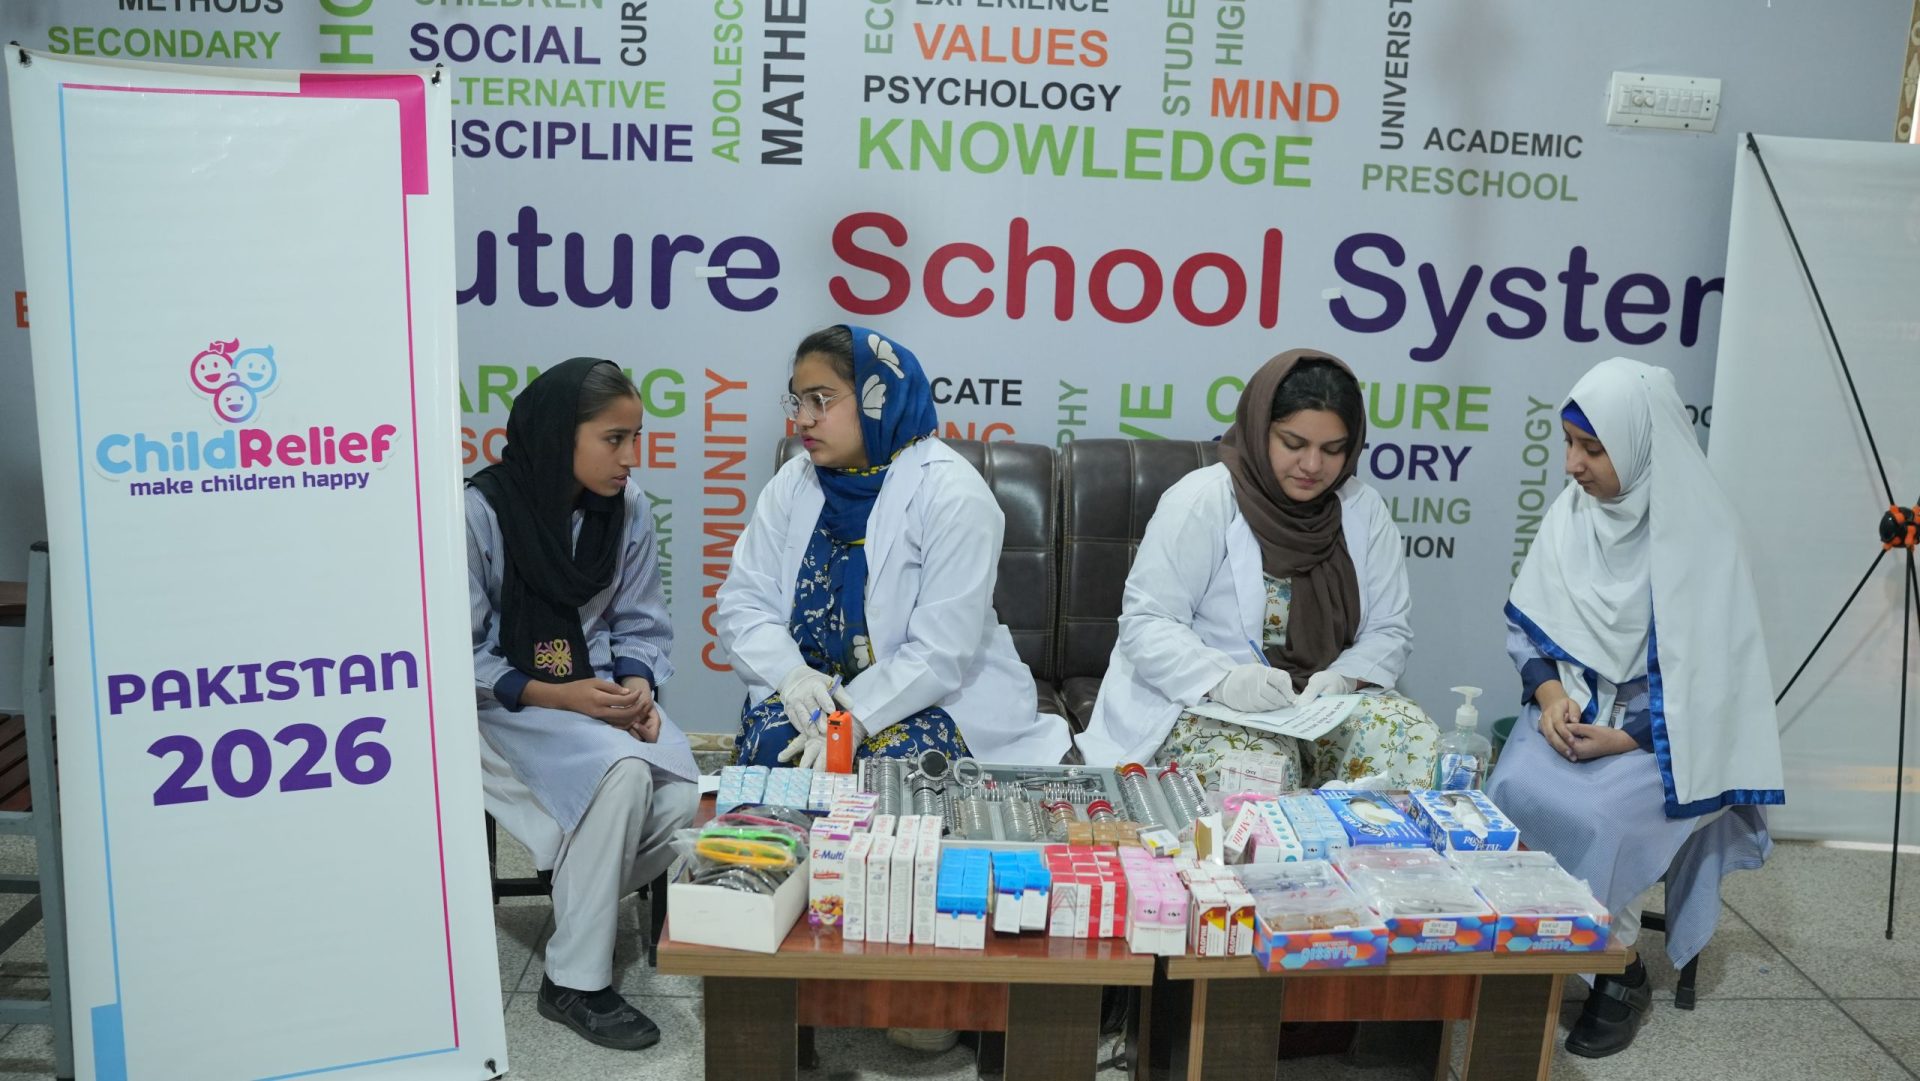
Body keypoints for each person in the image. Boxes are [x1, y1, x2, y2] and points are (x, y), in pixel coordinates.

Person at [1486, 356, 1783, 1058]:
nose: (1572, 466)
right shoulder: (1573, 515)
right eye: (1568, 443)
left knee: (1602, 818)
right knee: (1509, 789)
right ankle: (1524, 949)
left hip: (1670, 739)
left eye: (1592, 449)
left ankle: (1617, 972)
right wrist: (1551, 695)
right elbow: (1528, 631)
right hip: (1575, 714)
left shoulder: (1702, 536)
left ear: (1642, 447)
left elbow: (1718, 684)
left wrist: (1628, 738)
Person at [467, 357, 698, 1051]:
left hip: (597, 693)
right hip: (503, 703)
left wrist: (638, 684)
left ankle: (579, 893)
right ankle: (574, 980)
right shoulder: (480, 512)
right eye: (613, 439)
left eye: (636, 438)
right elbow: (457, 652)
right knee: (621, 775)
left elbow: (641, 620)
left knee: (680, 790)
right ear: (556, 436)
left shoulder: (627, 507)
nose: (631, 458)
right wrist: (558, 694)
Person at [1075, 350, 1438, 788]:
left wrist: (1345, 677)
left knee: (1411, 740)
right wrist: (1224, 680)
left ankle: (1370, 839)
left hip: (1321, 709)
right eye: (1294, 444)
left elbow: (1388, 630)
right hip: (1206, 705)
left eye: (1332, 450)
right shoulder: (1202, 500)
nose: (1312, 465)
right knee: (1259, 772)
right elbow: (1147, 622)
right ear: (1259, 428)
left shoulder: (1364, 509)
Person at [717, 324, 1071, 770]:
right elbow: (744, 601)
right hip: (812, 693)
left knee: (882, 769)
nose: (802, 419)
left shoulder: (953, 494)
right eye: (798, 401)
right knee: (775, 747)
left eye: (820, 400)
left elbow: (939, 651)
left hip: (928, 696)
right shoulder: (794, 481)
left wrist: (854, 720)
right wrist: (793, 677)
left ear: (878, 396)